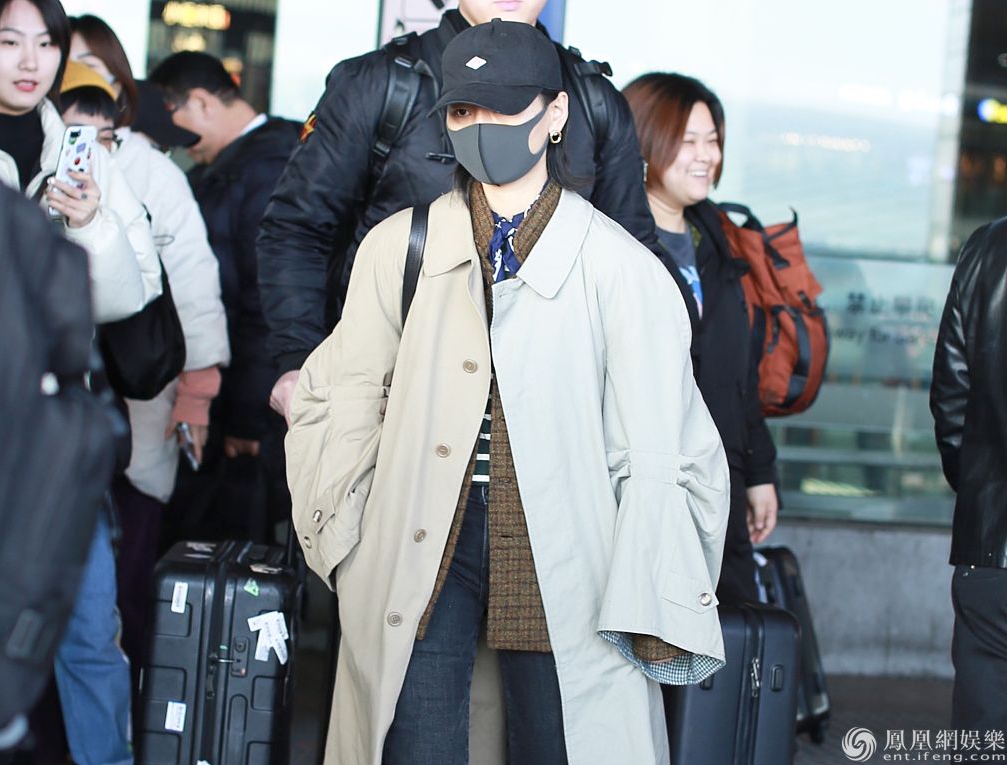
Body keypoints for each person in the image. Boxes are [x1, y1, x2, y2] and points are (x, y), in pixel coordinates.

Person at [286, 20, 729, 765]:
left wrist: (654, 586)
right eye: (464, 110)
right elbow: (339, 394)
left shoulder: (622, 268)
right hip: (422, 532)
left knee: (565, 740)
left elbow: (668, 446)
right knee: (412, 742)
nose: (481, 126)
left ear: (555, 114)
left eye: (504, 107)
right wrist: (347, 542)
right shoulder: (400, 246)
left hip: (569, 546)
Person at [258, 0, 699, 424]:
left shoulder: (594, 99)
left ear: (557, 114)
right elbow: (298, 227)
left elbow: (634, 253)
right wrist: (299, 362)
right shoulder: (381, 84)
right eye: (463, 112)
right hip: (393, 391)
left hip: (548, 401)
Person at [0, 2, 161, 764]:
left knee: (88, 628)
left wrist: (88, 226)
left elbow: (135, 292)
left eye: (46, 43)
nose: (32, 61)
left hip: (52, 429)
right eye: (9, 41)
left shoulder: (85, 153)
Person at [61, 16, 231, 708]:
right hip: (46, 412)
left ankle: (114, 727)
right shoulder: (25, 150)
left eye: (93, 66)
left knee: (123, 578)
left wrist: (198, 390)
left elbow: (192, 280)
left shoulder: (148, 167)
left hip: (137, 405)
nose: (75, 77)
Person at [623, 72, 780, 604]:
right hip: (643, 487)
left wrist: (759, 472)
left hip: (721, 479)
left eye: (712, 140)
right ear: (647, 140)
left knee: (727, 631)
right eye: (688, 140)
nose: (706, 156)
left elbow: (741, 372)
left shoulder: (718, 237)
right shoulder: (615, 240)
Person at [148, 51, 298, 542]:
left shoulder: (268, 169)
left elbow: (265, 301)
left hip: (245, 404)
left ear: (200, 102)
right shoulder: (246, 162)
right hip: (225, 392)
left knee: (226, 541)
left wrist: (248, 419)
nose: (174, 141)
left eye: (173, 118)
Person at [931, 216, 1007, 736]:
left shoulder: (987, 246)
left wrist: (984, 495)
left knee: (984, 737)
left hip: (991, 553)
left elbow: (951, 398)